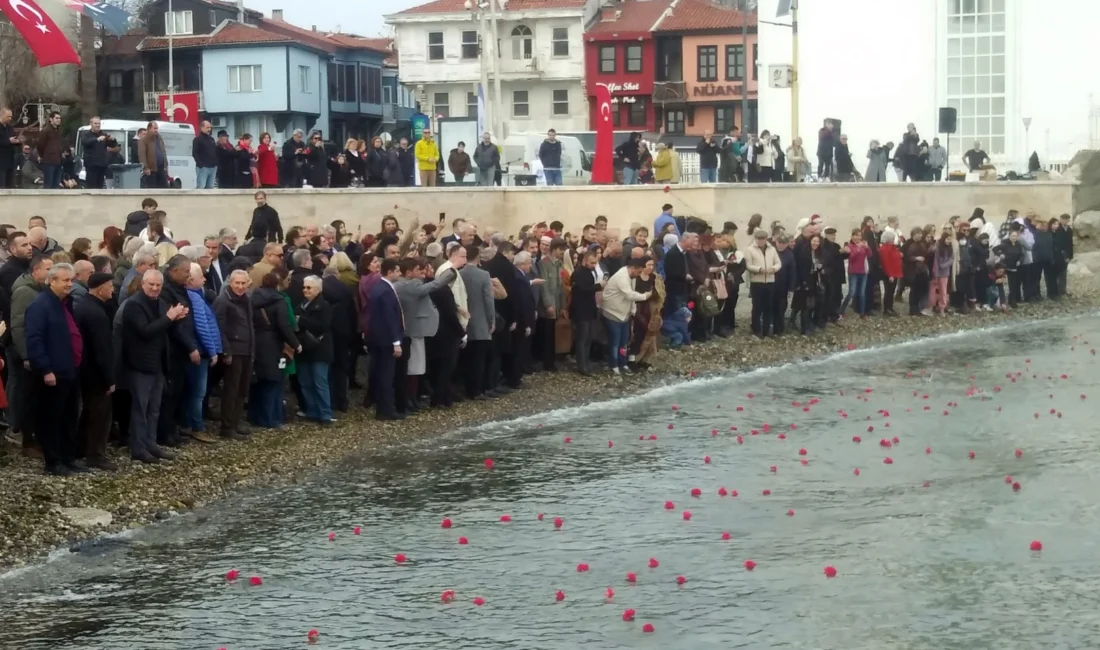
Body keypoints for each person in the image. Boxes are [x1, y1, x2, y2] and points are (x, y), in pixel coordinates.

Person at [25, 264, 85, 475]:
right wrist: (45, 369)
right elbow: (34, 340)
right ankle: (53, 462)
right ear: (51, 281)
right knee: (51, 419)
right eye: (65, 280)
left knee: (69, 416)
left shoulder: (66, 303)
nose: (70, 284)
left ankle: (68, 458)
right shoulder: (40, 305)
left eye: (71, 280)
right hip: (54, 372)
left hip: (71, 369)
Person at [73, 272, 117, 470]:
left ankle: (80, 449)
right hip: (96, 374)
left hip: (84, 371)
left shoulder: (83, 306)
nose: (113, 290)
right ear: (100, 289)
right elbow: (102, 350)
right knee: (100, 417)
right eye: (110, 286)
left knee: (88, 413)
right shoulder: (97, 314)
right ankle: (96, 456)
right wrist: (109, 379)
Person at [158, 256, 201, 448]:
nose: (188, 275)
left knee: (177, 393)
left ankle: (172, 431)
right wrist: (191, 347)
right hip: (172, 350)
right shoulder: (167, 291)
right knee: (169, 394)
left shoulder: (179, 289)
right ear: (173, 271)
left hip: (181, 349)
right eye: (185, 271)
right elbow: (175, 326)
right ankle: (165, 434)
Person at [249, 269, 300, 428]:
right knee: (274, 382)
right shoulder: (279, 301)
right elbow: (284, 326)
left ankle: (254, 417)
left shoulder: (251, 299)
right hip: (273, 344)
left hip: (255, 343)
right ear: (277, 285)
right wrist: (295, 344)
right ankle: (271, 419)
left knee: (257, 382)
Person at [181, 262, 221, 442]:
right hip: (201, 351)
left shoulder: (194, 296)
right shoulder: (194, 298)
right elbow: (202, 326)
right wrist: (213, 351)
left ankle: (187, 424)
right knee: (197, 392)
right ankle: (196, 426)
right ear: (191, 280)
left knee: (192, 392)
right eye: (201, 276)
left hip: (198, 349)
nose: (205, 279)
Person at [212, 269, 253, 436]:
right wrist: (226, 352)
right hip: (234, 351)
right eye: (237, 283)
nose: (240, 286)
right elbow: (219, 329)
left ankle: (235, 423)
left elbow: (250, 326)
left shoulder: (246, 300)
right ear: (230, 283)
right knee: (231, 389)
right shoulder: (223, 301)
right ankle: (227, 426)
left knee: (242, 389)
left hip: (246, 350)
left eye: (244, 283)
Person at [367, 259, 404, 420]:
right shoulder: (386, 291)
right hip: (386, 339)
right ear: (390, 272)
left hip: (376, 338)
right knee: (386, 375)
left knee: (381, 373)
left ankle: (383, 409)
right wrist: (396, 341)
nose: (400, 273)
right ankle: (386, 410)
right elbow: (389, 318)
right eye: (397, 270)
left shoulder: (379, 288)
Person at [601, 257, 651, 376]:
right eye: (639, 272)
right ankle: (614, 365)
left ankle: (622, 363)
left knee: (624, 341)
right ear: (633, 268)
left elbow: (631, 295)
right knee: (615, 341)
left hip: (624, 313)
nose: (639, 275)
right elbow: (629, 295)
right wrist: (646, 296)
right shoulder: (621, 277)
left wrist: (632, 310)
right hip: (613, 311)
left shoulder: (631, 276)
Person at [295, 275, 334, 423]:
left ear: (318, 289)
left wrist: (302, 321)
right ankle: (312, 411)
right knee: (305, 383)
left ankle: (325, 414)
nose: (305, 290)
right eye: (304, 287)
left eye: (309, 287)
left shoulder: (324, 306)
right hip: (304, 349)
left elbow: (324, 326)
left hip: (319, 350)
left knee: (320, 383)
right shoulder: (300, 306)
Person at [459, 245, 495, 397]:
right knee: (479, 360)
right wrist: (491, 319)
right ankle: (477, 390)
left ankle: (466, 388)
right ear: (478, 257)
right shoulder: (484, 275)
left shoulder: (459, 274)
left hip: (464, 321)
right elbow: (488, 299)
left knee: (466, 358)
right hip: (480, 321)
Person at [570, 250, 601, 376]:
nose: (594, 265)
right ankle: (582, 366)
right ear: (585, 261)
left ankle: (586, 362)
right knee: (582, 338)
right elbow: (582, 290)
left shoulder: (588, 272)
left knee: (588, 338)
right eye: (592, 262)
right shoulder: (578, 273)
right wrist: (599, 286)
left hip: (589, 309)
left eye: (595, 263)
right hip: (580, 310)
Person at [746, 230, 780, 337]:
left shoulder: (772, 249)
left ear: (766, 239)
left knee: (768, 306)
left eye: (763, 239)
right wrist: (759, 269)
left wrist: (773, 269)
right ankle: (756, 329)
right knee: (757, 306)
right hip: (757, 282)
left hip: (769, 281)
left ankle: (766, 329)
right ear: (756, 239)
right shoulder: (750, 250)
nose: (761, 241)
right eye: (759, 239)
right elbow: (748, 265)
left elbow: (778, 263)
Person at [78, 116, 118, 190]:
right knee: (91, 187)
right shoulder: (86, 134)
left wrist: (112, 140)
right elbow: (85, 142)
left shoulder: (103, 133)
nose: (98, 125)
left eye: (99, 123)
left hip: (102, 165)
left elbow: (113, 145)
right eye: (95, 123)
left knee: (100, 186)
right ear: (91, 124)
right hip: (91, 165)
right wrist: (97, 139)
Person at [36, 111, 63, 189]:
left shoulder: (58, 131)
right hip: (49, 161)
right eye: (56, 118)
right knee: (48, 185)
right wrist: (42, 155)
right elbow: (40, 145)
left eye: (60, 118)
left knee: (56, 185)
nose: (59, 120)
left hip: (58, 161)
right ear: (51, 119)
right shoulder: (45, 130)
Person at [137, 122, 169, 189]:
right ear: (149, 129)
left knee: (164, 188)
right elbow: (142, 155)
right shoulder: (143, 140)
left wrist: (165, 164)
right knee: (152, 189)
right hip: (151, 170)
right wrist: (145, 167)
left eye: (157, 128)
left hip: (161, 168)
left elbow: (163, 152)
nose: (156, 130)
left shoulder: (159, 138)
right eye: (154, 128)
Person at [193, 121, 218, 189]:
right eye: (207, 127)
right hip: (203, 168)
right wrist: (201, 165)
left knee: (210, 187)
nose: (209, 129)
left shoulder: (211, 139)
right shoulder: (197, 139)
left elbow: (214, 152)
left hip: (213, 167)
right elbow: (195, 153)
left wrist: (215, 164)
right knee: (201, 187)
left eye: (210, 127)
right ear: (202, 128)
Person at [0, 108, 19, 188]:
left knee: (10, 185)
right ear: (2, 115)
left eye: (11, 117)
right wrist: (8, 141)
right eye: (8, 116)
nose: (10, 119)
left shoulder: (10, 127)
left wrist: (18, 141)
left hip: (10, 160)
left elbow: (13, 138)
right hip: (1, 161)